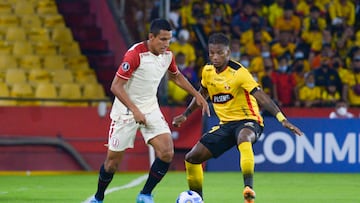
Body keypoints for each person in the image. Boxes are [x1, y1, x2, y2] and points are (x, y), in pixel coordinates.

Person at [172, 33, 303, 203]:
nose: (215, 57)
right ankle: (198, 199)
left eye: (219, 53)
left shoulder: (240, 73)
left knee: (243, 137)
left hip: (249, 120)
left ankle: (248, 189)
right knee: (192, 158)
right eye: (211, 53)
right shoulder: (207, 71)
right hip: (225, 124)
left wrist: (281, 118)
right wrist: (185, 115)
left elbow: (261, 96)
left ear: (228, 53)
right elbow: (202, 93)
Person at [89, 18, 210, 203]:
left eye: (169, 39)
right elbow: (116, 86)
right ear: (151, 37)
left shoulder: (168, 55)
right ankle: (98, 198)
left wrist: (197, 95)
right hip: (126, 110)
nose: (166, 44)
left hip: (150, 107)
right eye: (162, 39)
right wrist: (135, 110)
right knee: (112, 163)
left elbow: (176, 77)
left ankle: (145, 194)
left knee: (167, 152)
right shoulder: (135, 55)